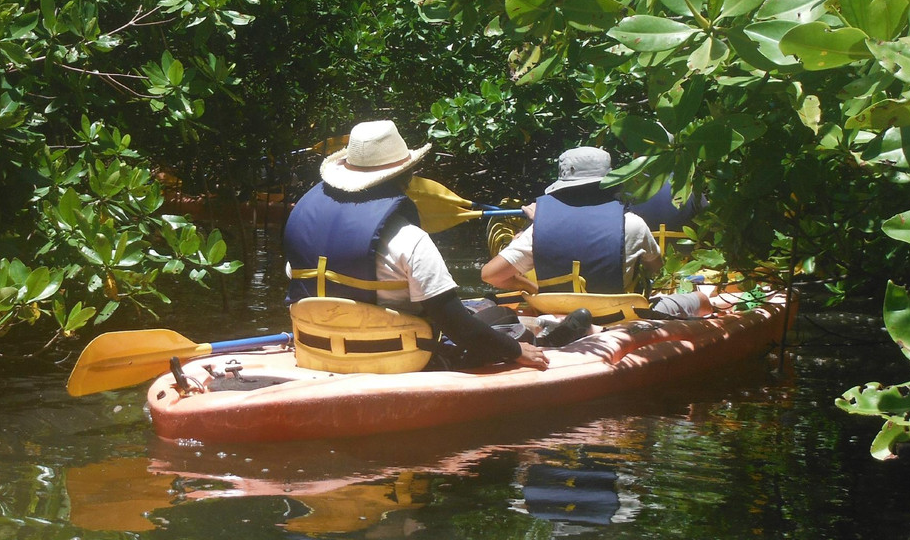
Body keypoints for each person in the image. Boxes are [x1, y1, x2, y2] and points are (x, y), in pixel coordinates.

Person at [283, 120, 567, 372]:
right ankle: (553, 336)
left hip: (317, 349)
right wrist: (515, 351)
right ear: (407, 177)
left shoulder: (301, 232)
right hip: (401, 358)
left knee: (485, 306)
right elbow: (456, 325)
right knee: (503, 316)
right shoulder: (409, 239)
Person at [480, 147, 712, 319]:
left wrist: (533, 288)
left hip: (555, 313)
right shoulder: (632, 224)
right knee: (701, 300)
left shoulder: (537, 230)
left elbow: (491, 275)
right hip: (621, 318)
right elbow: (656, 269)